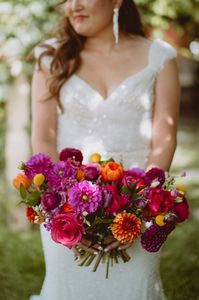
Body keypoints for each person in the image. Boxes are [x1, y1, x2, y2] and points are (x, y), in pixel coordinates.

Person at [30, 0, 180, 299]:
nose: (74, 6)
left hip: (138, 207)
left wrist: (136, 216)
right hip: (66, 208)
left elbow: (165, 140)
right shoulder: (50, 57)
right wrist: (65, 212)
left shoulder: (159, 57)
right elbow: (43, 140)